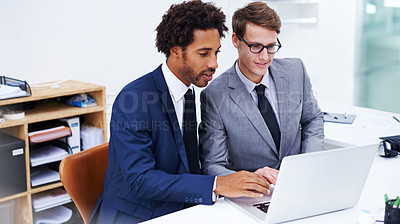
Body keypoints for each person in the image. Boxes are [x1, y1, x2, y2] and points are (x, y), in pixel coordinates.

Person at [89, 1, 271, 223]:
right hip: (135, 215)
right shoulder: (133, 99)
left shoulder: (188, 93)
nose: (214, 63)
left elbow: (187, 166)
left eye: (216, 52)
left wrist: (245, 179)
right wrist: (218, 185)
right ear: (176, 51)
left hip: (182, 210)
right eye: (204, 53)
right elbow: (140, 180)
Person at [199, 1, 324, 185]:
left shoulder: (295, 70)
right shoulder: (215, 95)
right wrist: (251, 179)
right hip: (255, 196)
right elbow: (212, 166)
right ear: (236, 40)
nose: (265, 57)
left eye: (271, 46)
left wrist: (306, 165)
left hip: (301, 184)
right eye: (256, 46)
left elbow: (313, 119)